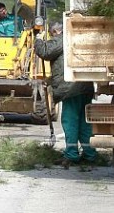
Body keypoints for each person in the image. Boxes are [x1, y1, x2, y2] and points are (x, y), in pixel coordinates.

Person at [34, 21, 97, 167]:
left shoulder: (63, 38)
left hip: (71, 89)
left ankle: (71, 155)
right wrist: (50, 80)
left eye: (51, 34)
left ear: (56, 31)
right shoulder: (77, 38)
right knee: (84, 122)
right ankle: (89, 154)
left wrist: (38, 39)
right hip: (84, 86)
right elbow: (64, 65)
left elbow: (45, 51)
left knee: (70, 122)